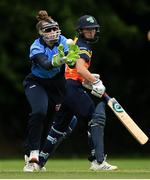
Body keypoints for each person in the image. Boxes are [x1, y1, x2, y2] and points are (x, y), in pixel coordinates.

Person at [26, 14, 118, 172]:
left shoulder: (70, 43)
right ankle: (98, 161)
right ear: (80, 30)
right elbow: (79, 69)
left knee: (60, 127)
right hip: (68, 87)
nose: (91, 32)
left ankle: (38, 163)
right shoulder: (83, 46)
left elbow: (74, 69)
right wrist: (94, 82)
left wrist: (88, 80)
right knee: (94, 117)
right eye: (87, 30)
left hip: (64, 87)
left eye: (93, 29)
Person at [23, 10, 80, 172]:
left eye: (55, 29)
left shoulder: (63, 41)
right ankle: (33, 154)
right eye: (48, 30)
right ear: (41, 33)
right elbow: (45, 64)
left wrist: (73, 59)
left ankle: (34, 153)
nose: (53, 32)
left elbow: (73, 63)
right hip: (36, 82)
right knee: (39, 112)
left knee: (53, 120)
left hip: (57, 85)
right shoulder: (36, 46)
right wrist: (60, 59)